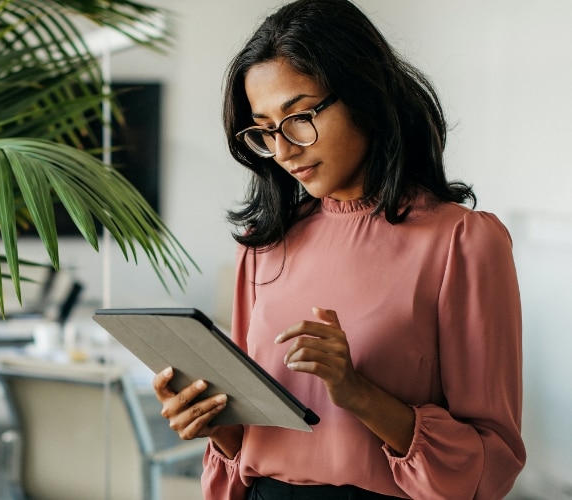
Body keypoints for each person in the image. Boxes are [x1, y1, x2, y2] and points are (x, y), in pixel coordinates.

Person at [152, 0, 526, 498]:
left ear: (362, 95)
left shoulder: (463, 241)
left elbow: (491, 463)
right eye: (264, 129)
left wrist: (357, 393)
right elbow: (249, 445)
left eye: (299, 116)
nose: (283, 149)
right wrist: (212, 423)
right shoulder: (264, 246)